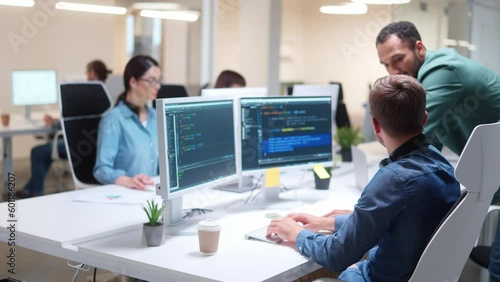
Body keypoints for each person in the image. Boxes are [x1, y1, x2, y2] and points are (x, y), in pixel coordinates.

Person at [266, 75, 461, 282]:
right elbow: (404, 221)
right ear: (424, 119)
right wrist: (328, 222)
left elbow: (336, 255)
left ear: (375, 126)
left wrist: (296, 233)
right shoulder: (443, 167)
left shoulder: (392, 180)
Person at [375, 21, 500, 281]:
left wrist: (376, 199)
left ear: (419, 48)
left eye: (398, 59)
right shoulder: (427, 85)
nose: (392, 70)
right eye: (386, 65)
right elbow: (425, 150)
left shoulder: (441, 71)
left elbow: (407, 137)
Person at [18, 60, 110, 198]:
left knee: (37, 152)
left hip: (79, 145)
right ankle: (28, 189)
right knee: (46, 152)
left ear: (91, 73)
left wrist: (56, 122)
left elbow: (77, 124)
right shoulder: (104, 93)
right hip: (94, 144)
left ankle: (37, 193)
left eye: (86, 73)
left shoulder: (87, 93)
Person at [93, 55, 160, 190]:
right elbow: (101, 170)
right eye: (151, 81)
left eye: (158, 81)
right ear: (133, 82)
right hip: (128, 195)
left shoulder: (156, 117)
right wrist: (128, 180)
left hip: (153, 192)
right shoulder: (114, 119)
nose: (158, 86)